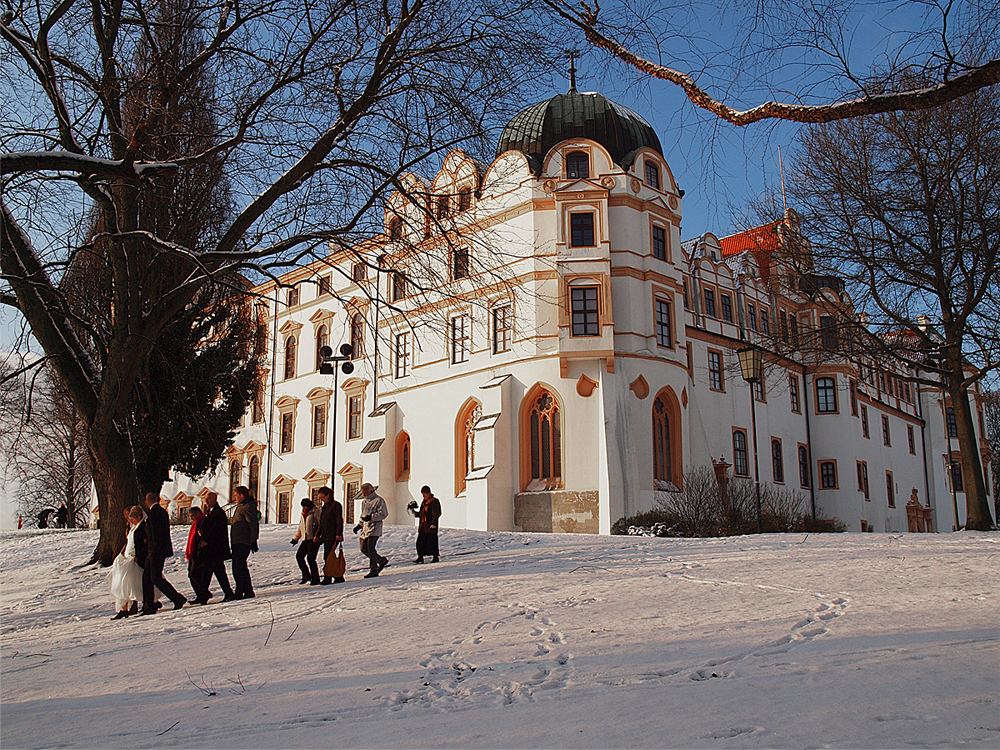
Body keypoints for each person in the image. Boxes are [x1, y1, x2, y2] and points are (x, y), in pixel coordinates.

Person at [139, 493, 187, 615]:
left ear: (147, 501)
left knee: (155, 577)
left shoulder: (154, 513)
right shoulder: (160, 511)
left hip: (155, 550)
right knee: (147, 577)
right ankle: (149, 604)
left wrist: (153, 548)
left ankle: (177, 598)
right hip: (156, 549)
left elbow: (156, 533)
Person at [108, 506, 147, 619]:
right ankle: (124, 608)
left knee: (129, 583)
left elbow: (143, 544)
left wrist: (137, 556)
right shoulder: (133, 527)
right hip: (128, 556)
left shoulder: (142, 527)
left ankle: (128, 607)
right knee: (124, 583)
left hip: (134, 558)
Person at [200, 492, 235, 602]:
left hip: (216, 548)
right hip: (211, 549)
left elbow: (216, 530)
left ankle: (228, 592)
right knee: (207, 571)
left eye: (209, 499)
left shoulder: (218, 512)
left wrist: (206, 539)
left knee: (218, 571)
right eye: (206, 499)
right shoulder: (210, 512)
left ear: (215, 499)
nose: (207, 501)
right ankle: (203, 594)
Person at [230, 486, 259, 599]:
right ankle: (247, 590)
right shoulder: (242, 506)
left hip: (242, 541)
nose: (235, 498)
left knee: (238, 567)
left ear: (242, 496)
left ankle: (240, 591)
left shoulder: (247, 507)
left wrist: (253, 541)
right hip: (239, 541)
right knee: (241, 567)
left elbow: (253, 524)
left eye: (236, 495)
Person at [358, 483, 388, 579]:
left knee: (370, 548)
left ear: (370, 491)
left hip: (375, 528)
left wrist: (371, 517)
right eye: (363, 493)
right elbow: (363, 514)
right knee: (363, 548)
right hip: (365, 528)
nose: (364, 495)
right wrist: (360, 524)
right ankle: (380, 560)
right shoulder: (364, 502)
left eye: (365, 493)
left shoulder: (379, 500)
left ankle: (374, 569)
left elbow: (384, 514)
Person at [317, 486, 344, 585]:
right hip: (326, 535)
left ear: (328, 495)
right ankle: (337, 576)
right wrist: (318, 534)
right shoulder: (325, 507)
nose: (322, 500)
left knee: (328, 556)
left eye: (322, 497)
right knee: (328, 556)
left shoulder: (335, 505)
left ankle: (329, 577)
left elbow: (339, 520)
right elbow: (322, 522)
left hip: (333, 535)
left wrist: (339, 533)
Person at [408, 485, 442, 564]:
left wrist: (433, 523)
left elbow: (436, 513)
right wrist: (415, 513)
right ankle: (420, 557)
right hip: (423, 526)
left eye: (425, 493)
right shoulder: (424, 502)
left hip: (430, 526)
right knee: (420, 542)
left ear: (429, 493)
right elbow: (422, 513)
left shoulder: (434, 502)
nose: (424, 495)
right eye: (423, 494)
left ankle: (435, 557)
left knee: (432, 541)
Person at [291, 498, 321, 585]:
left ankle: (315, 578)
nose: (305, 508)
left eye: (306, 506)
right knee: (299, 557)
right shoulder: (303, 514)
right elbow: (301, 528)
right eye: (303, 506)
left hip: (313, 539)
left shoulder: (316, 512)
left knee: (311, 558)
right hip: (305, 539)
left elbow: (320, 525)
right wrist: (295, 539)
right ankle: (306, 575)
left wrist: (318, 536)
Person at [185, 507, 210, 604]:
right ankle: (202, 594)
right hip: (194, 552)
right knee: (192, 574)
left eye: (193, 516)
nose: (192, 518)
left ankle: (203, 594)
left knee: (194, 574)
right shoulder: (195, 524)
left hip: (200, 552)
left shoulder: (203, 521)